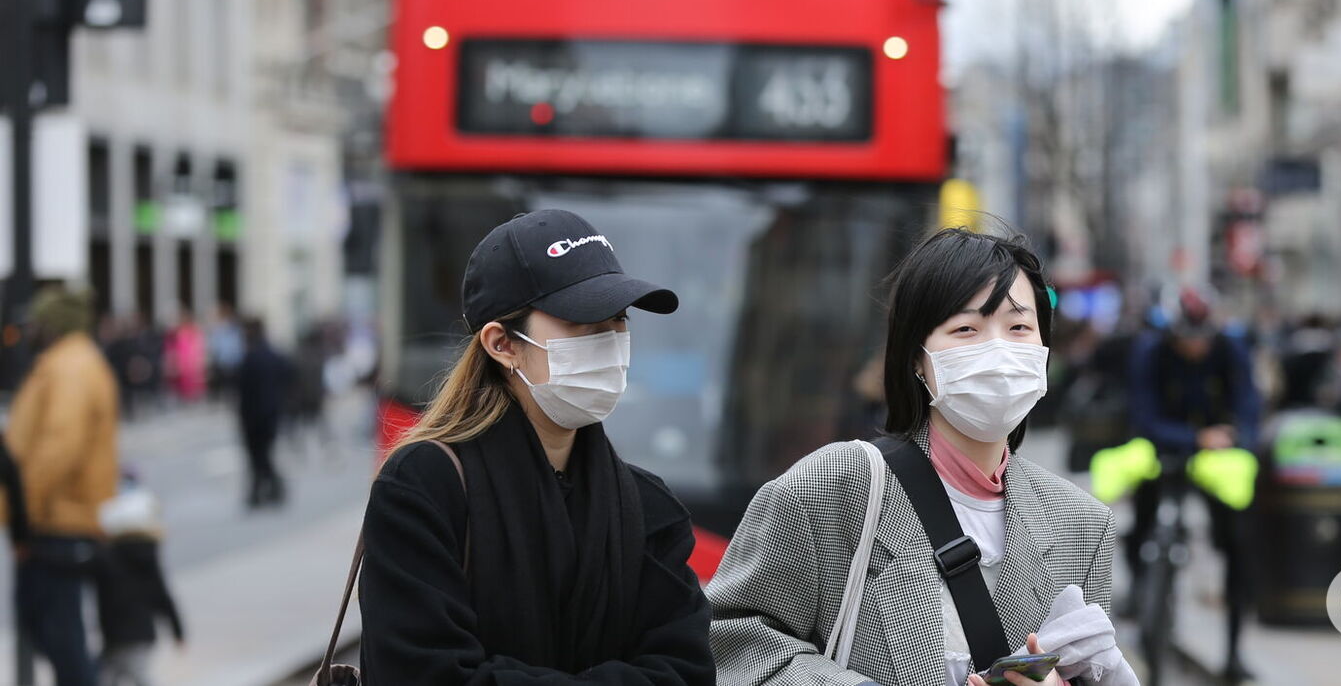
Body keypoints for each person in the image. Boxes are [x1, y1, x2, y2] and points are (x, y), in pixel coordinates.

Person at [710, 227, 1133, 686]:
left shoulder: (1081, 523)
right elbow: (734, 646)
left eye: (1018, 328)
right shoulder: (832, 486)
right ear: (916, 357)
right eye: (966, 329)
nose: (998, 351)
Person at [356, 210, 713, 685]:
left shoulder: (649, 507)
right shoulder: (424, 487)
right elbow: (423, 672)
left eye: (618, 319)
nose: (611, 341)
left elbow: (688, 670)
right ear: (502, 344)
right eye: (584, 321)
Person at [1127, 286, 1262, 682]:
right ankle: (1143, 600)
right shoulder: (1151, 353)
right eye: (1187, 338)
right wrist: (1194, 439)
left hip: (1219, 452)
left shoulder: (1230, 350)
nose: (1195, 348)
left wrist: (1236, 438)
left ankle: (1234, 649)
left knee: (1237, 542)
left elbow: (1248, 405)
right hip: (1168, 447)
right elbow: (1142, 416)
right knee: (1142, 523)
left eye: (1201, 339)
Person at [6, 285, 120, 686]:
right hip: (58, 522)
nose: (30, 329)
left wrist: (23, 515)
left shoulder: (69, 368)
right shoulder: (69, 363)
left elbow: (57, 449)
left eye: (37, 322)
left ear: (53, 324)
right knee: (53, 631)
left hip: (57, 524)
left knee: (61, 638)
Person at [94, 471, 184, 686]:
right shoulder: (147, 557)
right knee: (115, 675)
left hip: (118, 634)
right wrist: (178, 630)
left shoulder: (106, 556)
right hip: (137, 634)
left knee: (127, 675)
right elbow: (163, 596)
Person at [236, 317, 294, 509]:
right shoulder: (274, 355)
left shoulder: (250, 358)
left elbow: (242, 390)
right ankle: (265, 490)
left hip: (254, 417)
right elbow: (289, 376)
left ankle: (267, 490)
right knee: (263, 455)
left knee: (258, 456)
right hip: (272, 413)